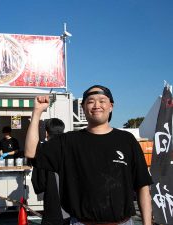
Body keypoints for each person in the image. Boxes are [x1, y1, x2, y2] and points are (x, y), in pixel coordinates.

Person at [25, 85, 153, 225]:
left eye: (102, 101)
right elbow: (31, 152)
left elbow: (143, 186)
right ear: (83, 107)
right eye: (91, 101)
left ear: (111, 106)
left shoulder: (127, 140)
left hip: (123, 222)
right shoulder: (68, 141)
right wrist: (37, 112)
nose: (97, 105)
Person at [31, 118, 70, 225]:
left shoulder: (44, 150)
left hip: (54, 205)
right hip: (74, 206)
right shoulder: (71, 148)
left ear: (47, 132)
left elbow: (39, 182)